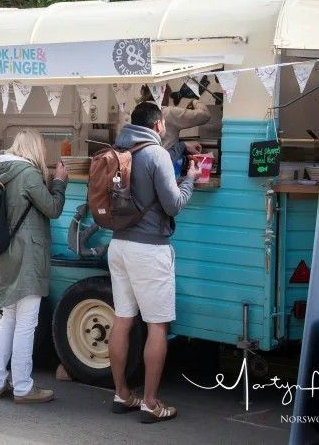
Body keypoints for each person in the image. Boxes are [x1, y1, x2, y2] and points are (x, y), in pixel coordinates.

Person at [107, 101, 201, 423]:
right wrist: (190, 177)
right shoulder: (155, 154)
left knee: (122, 319)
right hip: (149, 250)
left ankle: (122, 393)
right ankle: (150, 402)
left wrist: (183, 152)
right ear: (159, 124)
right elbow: (173, 205)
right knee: (156, 326)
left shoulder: (120, 148)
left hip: (118, 246)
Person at [0, 129, 68, 404]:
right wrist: (59, 182)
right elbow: (53, 208)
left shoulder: (0, 171)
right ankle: (22, 387)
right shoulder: (28, 174)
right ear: (35, 149)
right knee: (26, 323)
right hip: (27, 256)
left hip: (5, 252)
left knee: (8, 317)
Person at [140, 85, 211, 159]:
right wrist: (194, 101)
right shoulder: (168, 112)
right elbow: (205, 115)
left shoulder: (137, 111)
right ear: (163, 95)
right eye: (168, 96)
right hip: (165, 162)